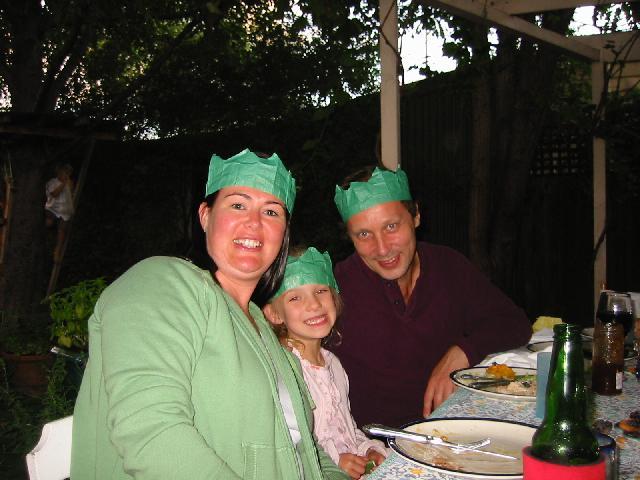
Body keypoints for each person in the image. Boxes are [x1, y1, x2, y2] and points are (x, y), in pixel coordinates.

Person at [70, 149, 349, 480]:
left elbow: (305, 448)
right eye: (238, 205)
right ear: (205, 216)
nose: (254, 222)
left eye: (271, 211)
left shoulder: (265, 330)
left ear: (283, 234)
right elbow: (151, 435)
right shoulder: (161, 284)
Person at [330, 165, 532, 427]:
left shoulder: (449, 266)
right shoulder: (334, 288)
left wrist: (461, 353)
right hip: (375, 443)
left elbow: (513, 323)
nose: (382, 248)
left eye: (391, 226)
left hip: (454, 430)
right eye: (364, 234)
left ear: (416, 216)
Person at [263, 247, 387, 479]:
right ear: (274, 314)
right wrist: (334, 461)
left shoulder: (334, 364)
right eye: (295, 297)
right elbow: (289, 445)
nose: (314, 305)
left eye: (321, 291)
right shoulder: (283, 370)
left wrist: (369, 450)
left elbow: (346, 429)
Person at [45, 163, 74, 261]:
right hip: (52, 209)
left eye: (67, 173)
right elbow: (55, 194)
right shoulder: (52, 182)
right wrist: (63, 184)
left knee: (62, 230)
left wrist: (68, 184)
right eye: (64, 172)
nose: (65, 175)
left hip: (63, 212)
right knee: (49, 223)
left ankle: (57, 251)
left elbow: (70, 194)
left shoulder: (69, 183)